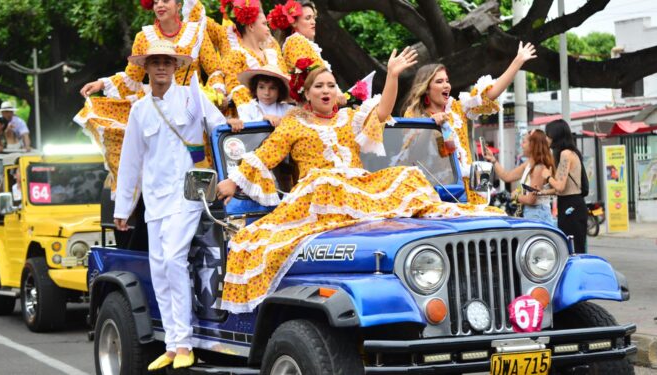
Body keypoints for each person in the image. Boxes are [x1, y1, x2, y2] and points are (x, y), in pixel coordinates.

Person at [214, 51, 503, 314]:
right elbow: (266, 154)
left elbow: (382, 112)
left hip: (357, 187)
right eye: (319, 86)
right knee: (326, 182)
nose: (326, 91)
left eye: (330, 85)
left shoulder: (349, 118)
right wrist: (231, 183)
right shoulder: (294, 123)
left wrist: (391, 75)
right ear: (306, 92)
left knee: (407, 175)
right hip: (319, 193)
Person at [113, 40, 226, 370]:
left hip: (190, 193)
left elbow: (219, 127)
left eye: (167, 62)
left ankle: (185, 343)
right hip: (155, 199)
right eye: (155, 62)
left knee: (174, 259)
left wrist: (237, 126)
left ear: (176, 66)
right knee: (160, 266)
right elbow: (130, 161)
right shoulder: (139, 110)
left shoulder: (192, 96)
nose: (161, 67)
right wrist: (123, 208)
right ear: (146, 68)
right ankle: (173, 343)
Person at [75, 0, 225, 189]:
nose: (159, 6)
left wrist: (216, 92)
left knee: (198, 169)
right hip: (159, 108)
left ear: (179, 5)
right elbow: (132, 78)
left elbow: (215, 71)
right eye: (155, 2)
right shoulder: (143, 37)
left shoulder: (196, 32)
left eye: (165, 1)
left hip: (191, 110)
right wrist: (102, 83)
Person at [402, 42, 537, 204]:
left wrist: (518, 62)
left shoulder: (458, 109)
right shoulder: (414, 114)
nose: (446, 85)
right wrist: (431, 127)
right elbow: (414, 153)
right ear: (426, 89)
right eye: (439, 82)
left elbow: (491, 94)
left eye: (447, 80)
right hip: (434, 192)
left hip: (466, 190)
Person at [220, 0, 288, 108]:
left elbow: (286, 85)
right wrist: (261, 113)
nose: (267, 29)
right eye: (264, 24)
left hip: (279, 116)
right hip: (251, 120)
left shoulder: (272, 54)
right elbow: (235, 89)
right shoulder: (234, 56)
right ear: (251, 26)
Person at [484, 129, 555, 225]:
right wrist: (493, 160)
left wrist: (516, 196)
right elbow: (507, 176)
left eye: (524, 142)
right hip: (531, 213)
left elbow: (531, 200)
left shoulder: (539, 168)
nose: (522, 145)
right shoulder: (529, 163)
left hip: (537, 214)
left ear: (533, 145)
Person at [541, 119, 588, 253]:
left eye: (547, 134)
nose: (546, 138)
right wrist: (541, 193)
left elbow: (560, 187)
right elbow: (563, 189)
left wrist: (548, 176)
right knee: (571, 248)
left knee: (573, 250)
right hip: (570, 204)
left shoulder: (565, 154)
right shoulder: (570, 152)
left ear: (555, 135)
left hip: (571, 206)